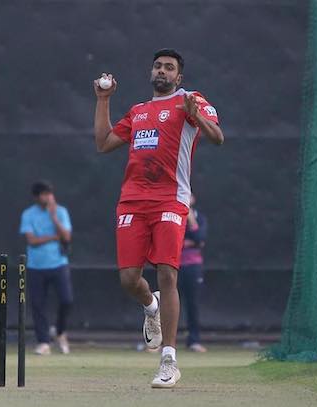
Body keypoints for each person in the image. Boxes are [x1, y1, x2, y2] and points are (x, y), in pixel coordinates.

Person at [93, 48, 224, 388]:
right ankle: (151, 307)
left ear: (178, 77)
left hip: (170, 199)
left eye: (169, 68)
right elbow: (104, 143)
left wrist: (199, 116)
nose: (162, 71)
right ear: (151, 72)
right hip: (132, 202)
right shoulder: (138, 111)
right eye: (158, 66)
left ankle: (169, 359)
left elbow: (218, 138)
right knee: (128, 280)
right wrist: (104, 99)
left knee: (167, 272)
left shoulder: (189, 100)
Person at [19, 181, 73, 355]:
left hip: (59, 264)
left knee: (66, 300)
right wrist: (53, 237)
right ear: (36, 197)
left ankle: (59, 331)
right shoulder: (28, 214)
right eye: (43, 194)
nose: (47, 197)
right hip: (36, 266)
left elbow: (66, 237)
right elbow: (32, 241)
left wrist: (54, 217)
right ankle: (43, 342)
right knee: (38, 304)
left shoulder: (61, 212)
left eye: (49, 193)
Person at [179, 194, 208, 353]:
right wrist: (189, 242)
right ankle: (162, 342)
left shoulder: (200, 218)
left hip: (193, 267)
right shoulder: (173, 216)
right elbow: (172, 240)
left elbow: (200, 238)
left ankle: (194, 341)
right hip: (173, 266)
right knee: (169, 302)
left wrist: (191, 220)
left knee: (193, 304)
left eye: (188, 196)